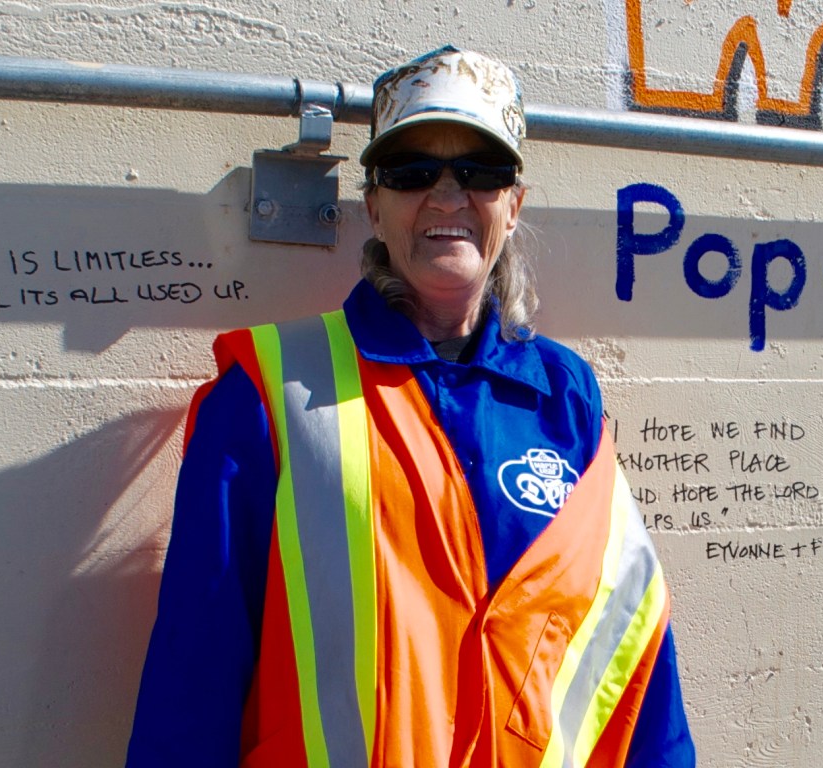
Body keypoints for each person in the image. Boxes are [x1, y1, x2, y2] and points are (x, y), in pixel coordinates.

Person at [126, 46, 695, 768]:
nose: (448, 197)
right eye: (411, 171)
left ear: (513, 205)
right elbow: (193, 677)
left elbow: (633, 650)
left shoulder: (565, 394)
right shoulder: (268, 395)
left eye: (481, 172)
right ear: (374, 205)